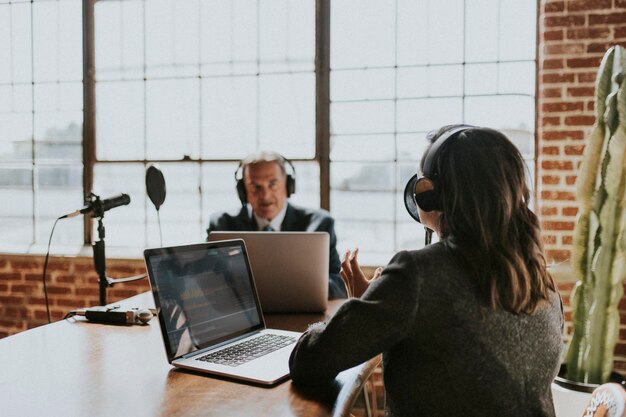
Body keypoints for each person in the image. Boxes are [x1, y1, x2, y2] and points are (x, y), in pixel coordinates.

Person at [289, 125, 564, 416]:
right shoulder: (542, 279)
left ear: (429, 194)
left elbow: (308, 362)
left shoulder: (417, 274)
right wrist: (372, 310)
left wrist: (358, 310)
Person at [206, 151, 347, 299]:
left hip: (299, 314)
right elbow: (207, 279)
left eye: (272, 184)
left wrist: (293, 289)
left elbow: (339, 284)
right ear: (243, 190)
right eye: (255, 187)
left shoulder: (320, 224)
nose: (265, 195)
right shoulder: (222, 224)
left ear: (288, 185)